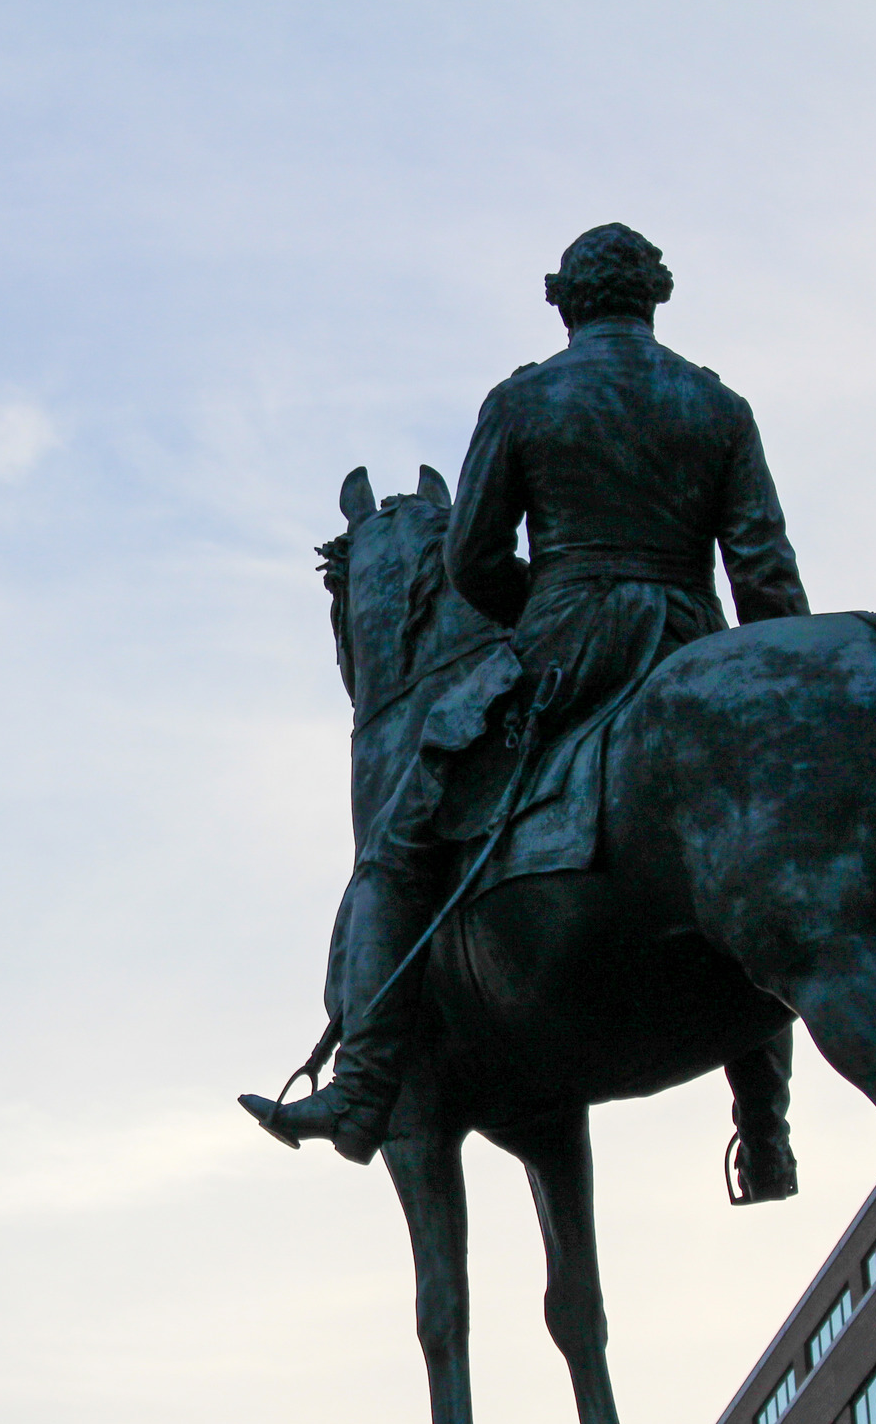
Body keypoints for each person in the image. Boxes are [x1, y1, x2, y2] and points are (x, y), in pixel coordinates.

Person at [243, 224, 807, 1199]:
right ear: (655, 296)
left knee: (401, 840)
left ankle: (363, 1083)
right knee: (766, 841)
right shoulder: (719, 405)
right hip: (693, 640)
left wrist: (533, 615)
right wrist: (762, 684)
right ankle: (763, 1130)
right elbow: (763, 573)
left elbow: (471, 561)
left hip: (567, 640)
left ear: (565, 302)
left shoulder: (524, 399)